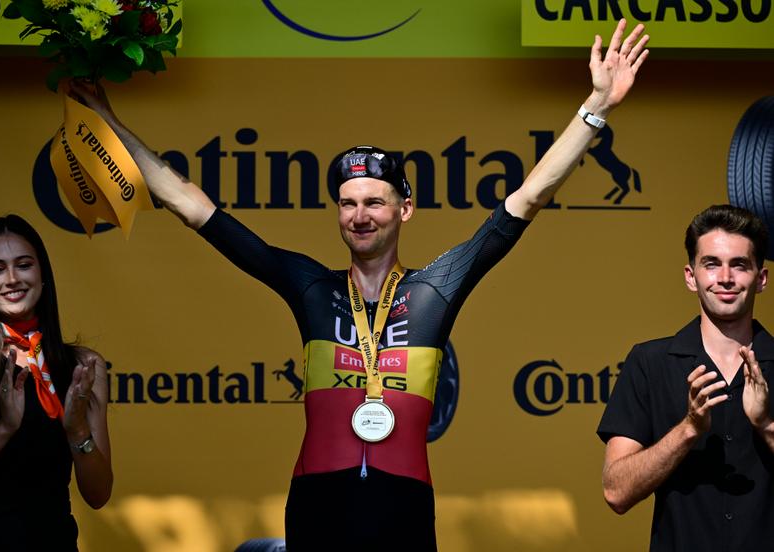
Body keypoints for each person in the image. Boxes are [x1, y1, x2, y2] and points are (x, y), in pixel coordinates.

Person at [72, 19, 648, 550]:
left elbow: (526, 199)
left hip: (403, 510)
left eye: (375, 201)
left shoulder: (434, 290)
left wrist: (595, 106)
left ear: (406, 210)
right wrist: (109, 124)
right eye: (347, 204)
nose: (360, 215)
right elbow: (194, 208)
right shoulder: (310, 287)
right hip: (317, 507)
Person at [597, 204, 774, 551]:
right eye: (711, 264)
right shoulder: (649, 363)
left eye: (739, 265)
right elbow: (616, 491)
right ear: (691, 277)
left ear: (761, 279)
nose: (725, 278)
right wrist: (688, 428)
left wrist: (766, 424)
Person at [0, 215, 113, 551]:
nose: (11, 279)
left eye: (23, 265)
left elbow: (98, 494)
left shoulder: (84, 365)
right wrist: (5, 428)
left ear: (43, 276)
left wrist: (78, 431)